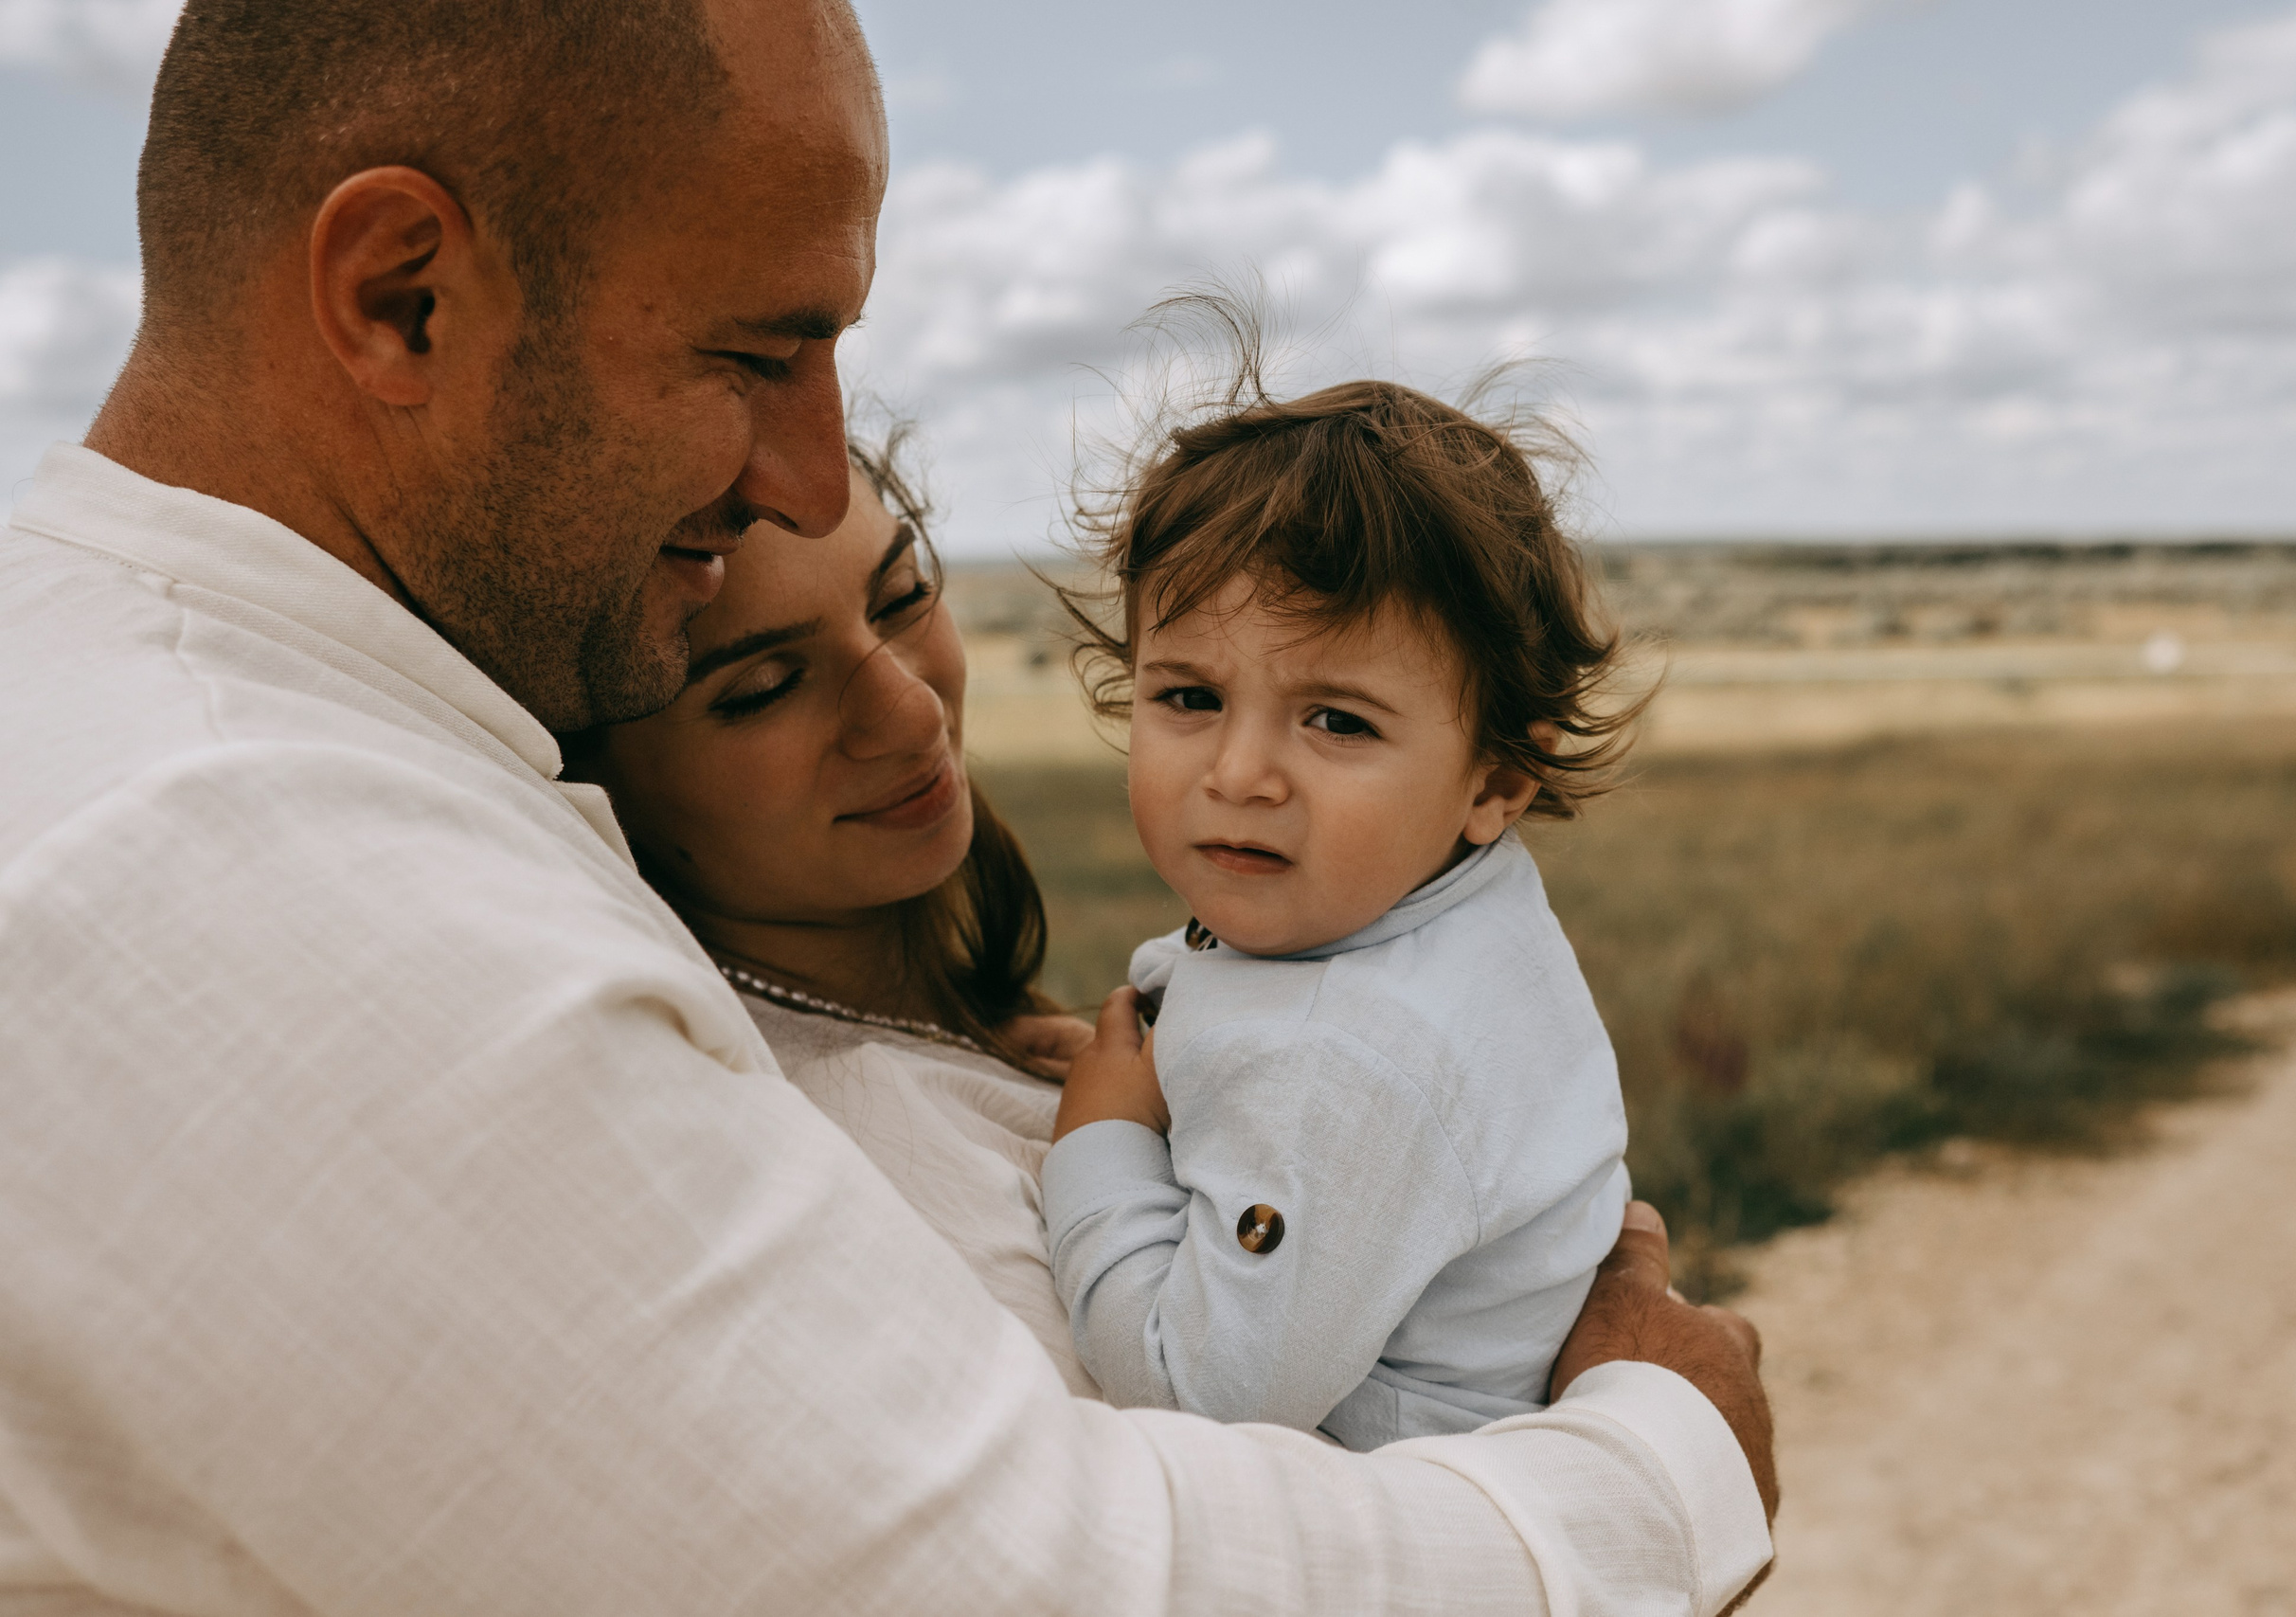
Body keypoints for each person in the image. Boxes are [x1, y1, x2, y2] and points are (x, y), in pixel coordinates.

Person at [0, 0, 1776, 1611]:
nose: (806, 466)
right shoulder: (234, 856)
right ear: (405, 293)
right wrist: (1660, 1465)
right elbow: (1003, 1581)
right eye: (758, 354)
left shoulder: (261, 737)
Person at [1035, 367, 1641, 1453]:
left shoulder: (1355, 1062)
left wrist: (1103, 1139)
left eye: (1336, 721)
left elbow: (1194, 1391)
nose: (1240, 772)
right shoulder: (1424, 898)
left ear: (1496, 784)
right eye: (1188, 697)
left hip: (1377, 1521)